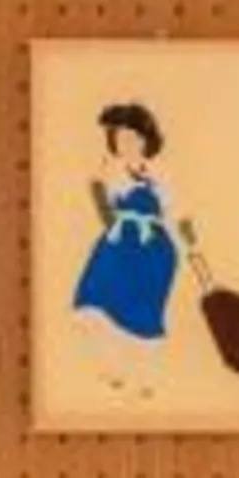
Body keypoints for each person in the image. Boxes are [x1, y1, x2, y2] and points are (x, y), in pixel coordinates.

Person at [71, 102, 181, 398]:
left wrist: (189, 242)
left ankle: (147, 379)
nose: (126, 145)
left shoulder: (160, 174)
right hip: (119, 244)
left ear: (146, 139)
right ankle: (113, 368)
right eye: (120, 139)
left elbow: (173, 213)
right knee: (95, 301)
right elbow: (104, 207)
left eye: (132, 138)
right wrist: (100, 196)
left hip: (153, 249)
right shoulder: (112, 170)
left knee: (145, 314)